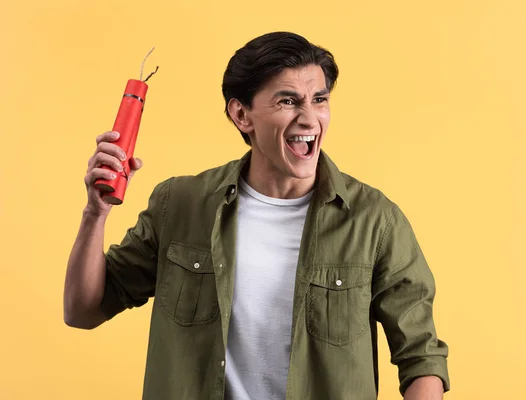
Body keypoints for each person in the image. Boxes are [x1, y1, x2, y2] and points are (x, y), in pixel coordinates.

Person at [63, 31, 450, 400]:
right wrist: (94, 213)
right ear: (242, 115)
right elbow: (83, 310)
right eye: (287, 101)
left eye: (319, 99)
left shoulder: (374, 222)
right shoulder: (179, 206)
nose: (309, 118)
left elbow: (422, 359)